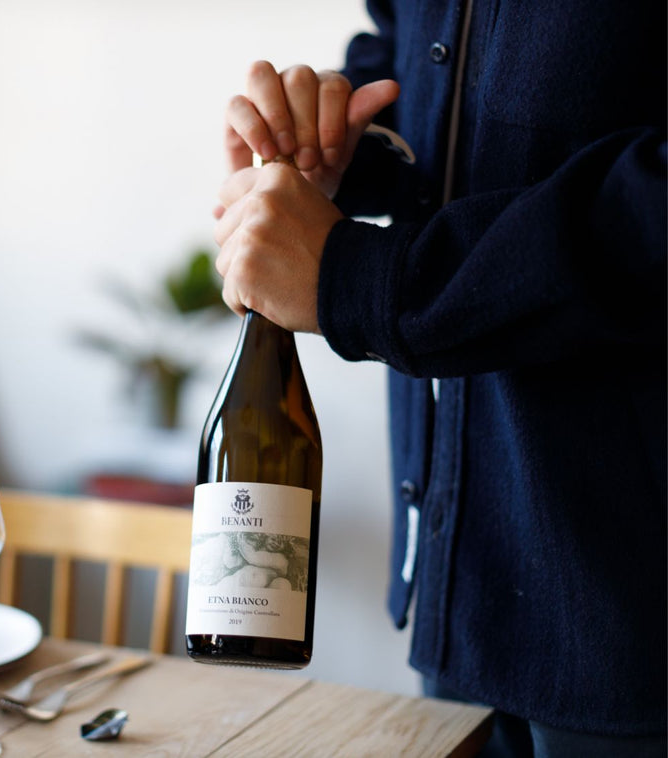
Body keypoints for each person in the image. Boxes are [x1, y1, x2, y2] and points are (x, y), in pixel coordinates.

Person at [212, 1, 666, 756]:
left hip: (628, 612)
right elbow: (414, 54)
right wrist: (335, 136)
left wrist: (365, 281)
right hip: (462, 584)